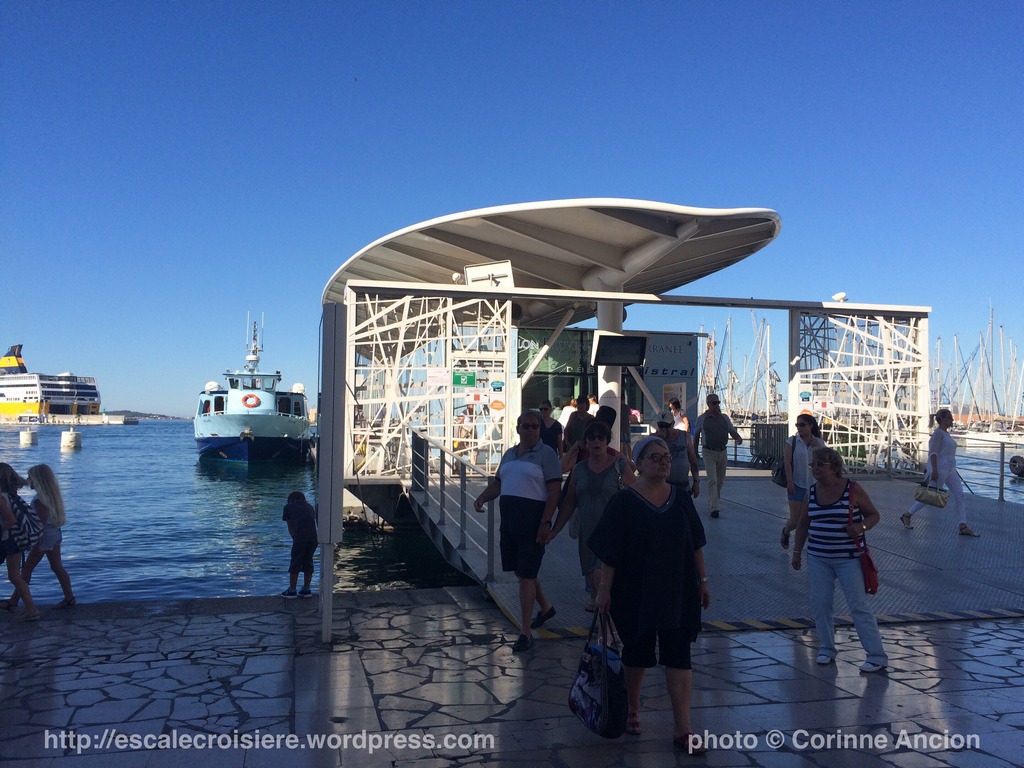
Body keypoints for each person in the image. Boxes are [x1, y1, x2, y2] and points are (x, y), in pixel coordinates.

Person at [589, 436, 711, 753]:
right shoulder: (624, 502)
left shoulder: (681, 499)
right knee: (637, 654)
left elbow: (696, 542)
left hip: (678, 590)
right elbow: (610, 552)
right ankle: (632, 709)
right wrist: (604, 589)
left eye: (666, 457)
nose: (663, 461)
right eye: (655, 457)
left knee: (679, 656)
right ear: (639, 464)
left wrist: (703, 580)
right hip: (635, 592)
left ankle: (683, 728)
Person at [790, 447, 888, 672]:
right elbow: (803, 523)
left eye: (820, 465)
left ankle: (876, 656)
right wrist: (796, 552)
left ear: (833, 467)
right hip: (818, 557)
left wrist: (860, 527)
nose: (815, 469)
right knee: (820, 603)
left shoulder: (852, 489)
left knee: (858, 605)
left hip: (849, 558)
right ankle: (827, 648)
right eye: (813, 465)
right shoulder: (812, 492)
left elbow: (874, 515)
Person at [473, 410, 562, 652]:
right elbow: (499, 484)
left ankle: (525, 631)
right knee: (522, 571)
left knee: (526, 575)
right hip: (510, 521)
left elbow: (554, 490)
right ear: (518, 428)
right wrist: (482, 496)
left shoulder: (547, 454)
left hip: (533, 522)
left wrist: (546, 522)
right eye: (526, 426)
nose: (531, 430)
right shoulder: (510, 454)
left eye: (535, 426)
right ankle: (545, 606)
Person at [547, 420, 635, 610]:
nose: (596, 441)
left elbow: (638, 494)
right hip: (588, 533)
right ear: (585, 442)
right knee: (594, 583)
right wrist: (554, 530)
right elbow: (570, 501)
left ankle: (610, 628)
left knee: (600, 576)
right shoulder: (579, 470)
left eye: (601, 437)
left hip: (613, 533)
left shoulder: (619, 466)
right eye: (591, 437)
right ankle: (604, 628)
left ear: (607, 441)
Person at [2, 464, 76, 611]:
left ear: (38, 480)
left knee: (27, 569)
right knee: (57, 566)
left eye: (30, 478)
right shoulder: (52, 497)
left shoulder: (38, 500)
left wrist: (30, 541)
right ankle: (69, 598)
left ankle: (14, 601)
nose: (28, 480)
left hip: (43, 537)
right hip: (55, 533)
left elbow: (38, 525)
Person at [902, 408, 978, 536]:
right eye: (949, 418)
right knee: (928, 496)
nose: (952, 420)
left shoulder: (946, 434)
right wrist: (934, 470)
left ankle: (963, 525)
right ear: (942, 419)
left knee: (960, 495)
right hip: (940, 469)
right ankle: (907, 514)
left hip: (950, 469)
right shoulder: (938, 434)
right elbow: (933, 453)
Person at [0, 463, 41, 621]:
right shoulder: (10, 496)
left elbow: (10, 519)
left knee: (14, 576)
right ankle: (29, 609)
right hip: (14, 540)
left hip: (10, 540)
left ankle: (32, 610)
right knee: (15, 575)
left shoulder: (1, 498)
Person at [780, 415, 826, 549]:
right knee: (795, 520)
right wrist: (789, 481)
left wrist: (817, 446)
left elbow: (826, 460)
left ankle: (808, 546)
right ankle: (786, 531)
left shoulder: (819, 442)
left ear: (811, 425)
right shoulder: (792, 441)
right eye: (797, 425)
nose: (799, 428)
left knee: (811, 518)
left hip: (814, 486)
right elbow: (787, 463)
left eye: (802, 425)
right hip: (797, 485)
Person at [693, 393, 742, 518]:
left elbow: (731, 430)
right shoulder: (702, 418)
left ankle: (714, 500)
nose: (716, 405)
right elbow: (697, 435)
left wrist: (737, 437)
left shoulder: (724, 418)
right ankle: (714, 508)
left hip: (722, 451)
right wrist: (694, 452)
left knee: (720, 481)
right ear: (708, 404)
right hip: (708, 451)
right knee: (712, 480)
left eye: (718, 403)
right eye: (713, 403)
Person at [281, 491, 318, 598]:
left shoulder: (288, 507)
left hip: (300, 537)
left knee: (295, 561)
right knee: (308, 561)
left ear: (290, 500)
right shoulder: (310, 507)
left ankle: (292, 590)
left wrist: (294, 537)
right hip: (314, 538)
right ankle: (306, 589)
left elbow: (290, 526)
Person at [654, 421, 701, 498]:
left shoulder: (684, 436)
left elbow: (693, 461)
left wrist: (696, 482)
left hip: (683, 485)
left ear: (672, 424)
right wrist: (660, 440)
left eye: (667, 426)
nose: (664, 429)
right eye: (661, 426)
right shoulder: (655, 439)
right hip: (663, 486)